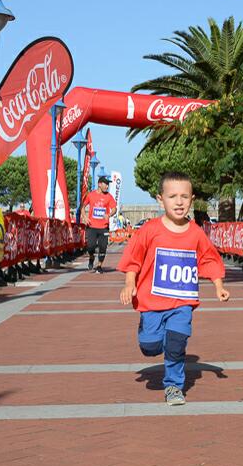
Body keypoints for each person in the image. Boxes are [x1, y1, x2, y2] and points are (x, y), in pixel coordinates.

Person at [118, 171, 230, 405]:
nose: (179, 202)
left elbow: (209, 259)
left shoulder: (196, 233)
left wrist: (218, 285)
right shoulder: (150, 229)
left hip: (182, 303)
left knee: (176, 346)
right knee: (150, 347)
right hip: (151, 302)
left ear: (192, 199)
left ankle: (173, 386)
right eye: (172, 196)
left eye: (184, 196)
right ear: (161, 200)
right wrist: (130, 284)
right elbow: (134, 258)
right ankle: (147, 333)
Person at [81, 176, 117, 273]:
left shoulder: (109, 196)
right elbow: (83, 207)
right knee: (91, 246)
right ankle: (91, 257)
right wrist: (85, 217)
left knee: (103, 247)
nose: (107, 186)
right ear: (99, 184)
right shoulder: (91, 195)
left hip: (104, 227)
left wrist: (109, 214)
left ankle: (99, 266)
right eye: (105, 184)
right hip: (92, 226)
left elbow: (114, 209)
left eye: (108, 184)